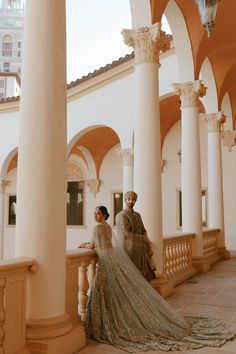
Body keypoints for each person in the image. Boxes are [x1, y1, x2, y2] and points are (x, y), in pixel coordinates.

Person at [79, 206, 235, 353]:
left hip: (105, 260)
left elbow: (94, 245)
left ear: (104, 215)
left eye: (98, 213)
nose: (95, 215)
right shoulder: (107, 227)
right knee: (112, 290)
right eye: (95, 213)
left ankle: (105, 322)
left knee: (105, 290)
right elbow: (106, 244)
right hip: (112, 256)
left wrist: (84, 245)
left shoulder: (97, 227)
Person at [115, 191, 156, 281]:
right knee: (132, 278)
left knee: (144, 278)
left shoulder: (137, 215)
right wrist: (142, 238)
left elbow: (143, 229)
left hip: (141, 250)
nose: (131, 201)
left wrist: (146, 238)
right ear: (125, 200)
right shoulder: (121, 215)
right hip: (129, 251)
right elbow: (124, 234)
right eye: (129, 199)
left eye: (133, 199)